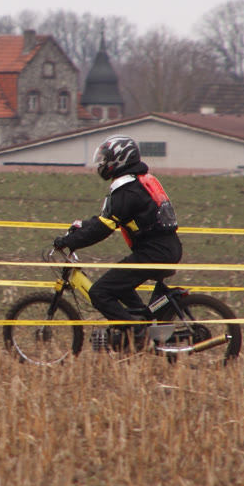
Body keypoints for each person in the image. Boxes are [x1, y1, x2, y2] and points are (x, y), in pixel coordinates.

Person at [53, 134, 181, 352]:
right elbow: (105, 219)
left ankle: (136, 334)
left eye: (105, 159)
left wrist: (70, 241)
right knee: (118, 285)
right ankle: (141, 324)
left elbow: (104, 228)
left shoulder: (128, 191)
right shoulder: (133, 184)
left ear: (120, 159)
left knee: (99, 292)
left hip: (154, 253)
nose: (101, 164)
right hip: (160, 249)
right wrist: (81, 226)